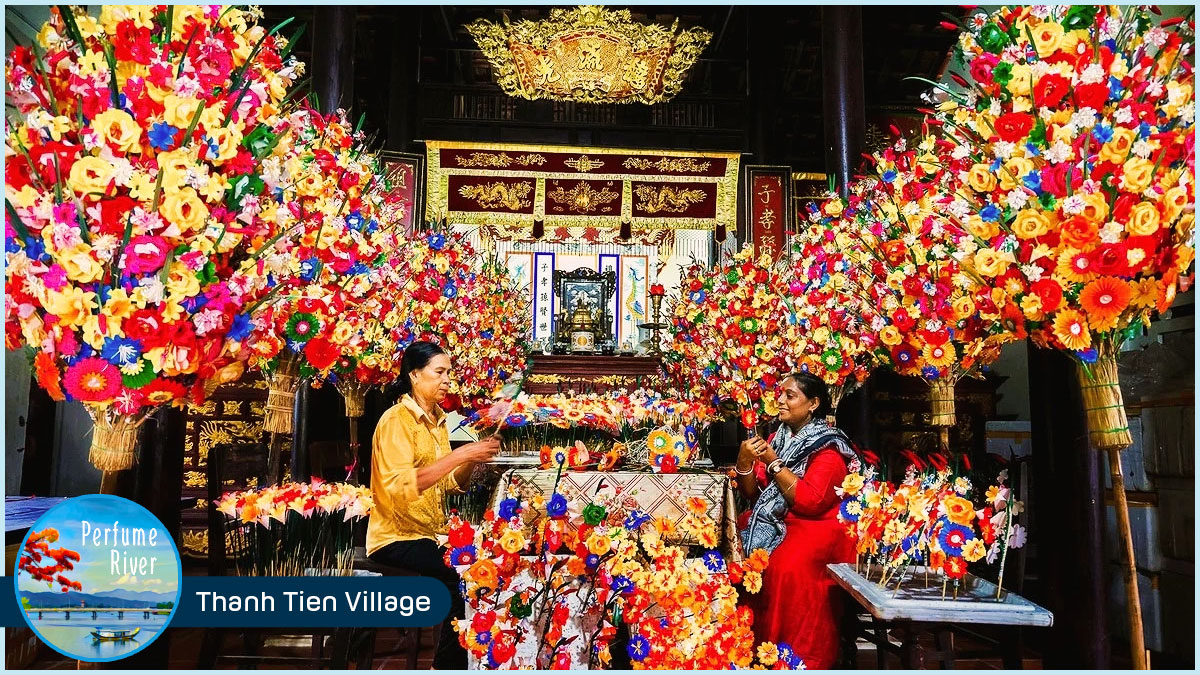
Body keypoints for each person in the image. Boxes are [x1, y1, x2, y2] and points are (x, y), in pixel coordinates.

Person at [366, 341, 500, 669]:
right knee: (462, 578)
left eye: (448, 373)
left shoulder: (437, 419)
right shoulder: (397, 419)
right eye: (439, 372)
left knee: (485, 565)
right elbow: (400, 486)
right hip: (396, 536)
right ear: (414, 374)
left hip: (430, 534)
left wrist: (473, 455)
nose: (446, 380)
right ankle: (444, 667)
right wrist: (460, 454)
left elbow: (449, 483)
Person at [735, 372, 859, 669]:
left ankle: (796, 657)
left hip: (818, 527)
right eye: (781, 393)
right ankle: (750, 649)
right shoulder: (780, 436)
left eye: (790, 396)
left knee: (784, 567)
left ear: (813, 403)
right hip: (784, 519)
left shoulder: (828, 447)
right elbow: (754, 494)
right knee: (738, 545)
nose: (780, 400)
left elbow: (809, 501)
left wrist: (773, 462)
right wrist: (744, 462)